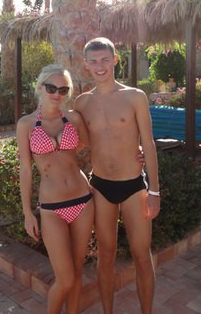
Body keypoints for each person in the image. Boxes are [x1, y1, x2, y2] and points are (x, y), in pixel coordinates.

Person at [74, 37, 160, 314]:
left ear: (115, 60)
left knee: (141, 255)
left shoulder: (134, 96)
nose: (100, 66)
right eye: (94, 61)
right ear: (86, 65)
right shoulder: (82, 103)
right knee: (106, 255)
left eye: (105, 60)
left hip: (134, 186)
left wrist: (155, 191)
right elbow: (77, 141)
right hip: (101, 186)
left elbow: (149, 143)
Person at [17, 64, 93, 314]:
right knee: (65, 279)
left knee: (78, 270)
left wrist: (134, 153)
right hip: (52, 208)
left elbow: (90, 145)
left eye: (63, 89)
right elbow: (26, 169)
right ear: (40, 87)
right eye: (51, 88)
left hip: (83, 200)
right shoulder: (27, 124)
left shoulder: (73, 118)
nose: (57, 94)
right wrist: (27, 212)